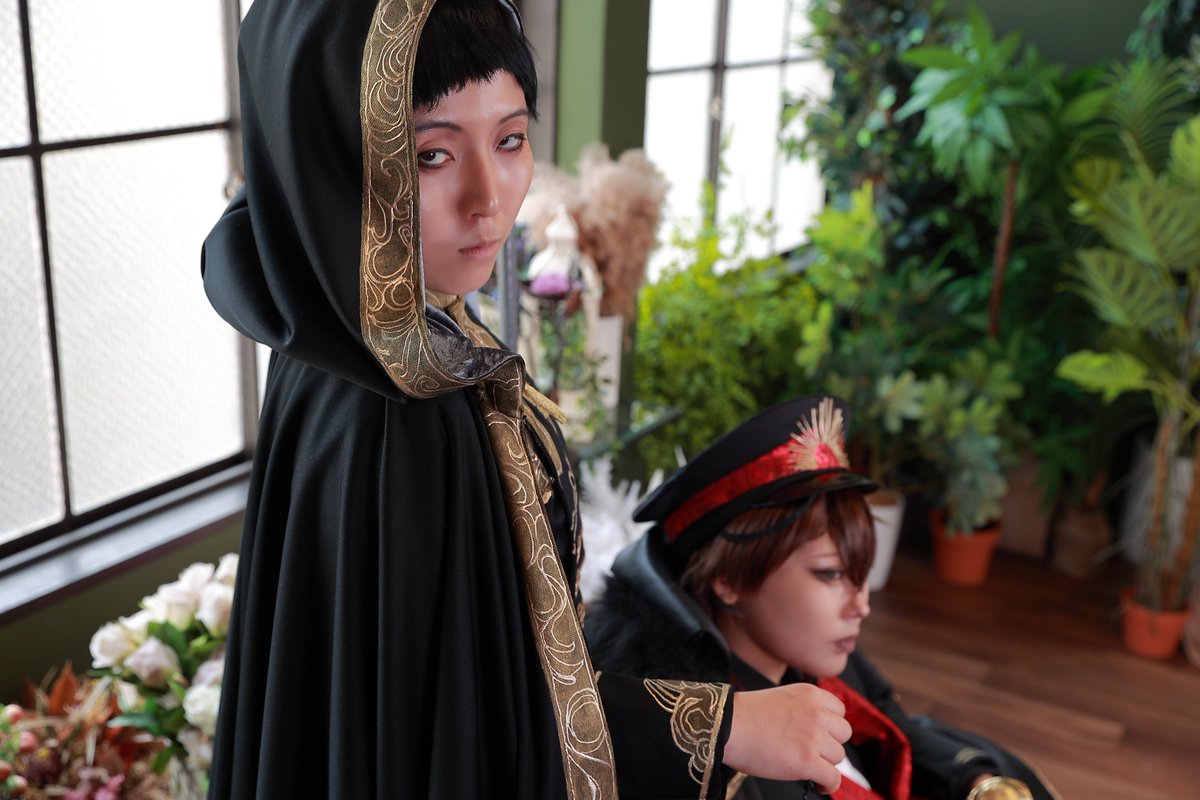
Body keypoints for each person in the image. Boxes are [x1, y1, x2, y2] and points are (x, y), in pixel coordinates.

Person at [200, 2, 854, 797]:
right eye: (432, 155)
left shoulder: (352, 335)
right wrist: (727, 727)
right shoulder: (401, 414)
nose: (489, 198)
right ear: (333, 162)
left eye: (509, 140)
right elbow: (468, 741)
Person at [586, 395, 1059, 800]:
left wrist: (975, 781)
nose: (861, 606)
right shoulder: (718, 760)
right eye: (830, 574)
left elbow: (895, 725)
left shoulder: (811, 654)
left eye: (860, 573)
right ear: (728, 579)